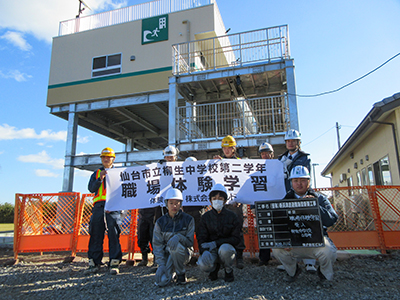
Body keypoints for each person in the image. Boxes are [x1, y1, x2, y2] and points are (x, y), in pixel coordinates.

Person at [272, 166, 338, 282]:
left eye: (302, 180)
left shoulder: (320, 198)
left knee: (328, 251)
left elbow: (331, 219)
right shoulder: (285, 201)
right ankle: (292, 271)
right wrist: (283, 239)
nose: (299, 184)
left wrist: (314, 206)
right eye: (295, 181)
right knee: (277, 248)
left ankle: (325, 275)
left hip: (316, 241)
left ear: (309, 181)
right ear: (291, 182)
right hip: (294, 242)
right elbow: (278, 224)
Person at [278, 129, 316, 273]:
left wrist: (289, 166)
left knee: (305, 225)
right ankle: (290, 262)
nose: (291, 143)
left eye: (293, 140)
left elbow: (304, 175)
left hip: (301, 194)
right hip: (287, 195)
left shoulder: (304, 158)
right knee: (289, 227)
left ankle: (309, 262)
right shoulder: (280, 158)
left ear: (299, 142)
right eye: (288, 141)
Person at [136, 146, 177, 266]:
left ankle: (166, 259)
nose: (169, 158)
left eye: (171, 156)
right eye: (167, 156)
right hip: (158, 206)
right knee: (153, 233)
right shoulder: (158, 168)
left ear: (175, 157)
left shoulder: (180, 167)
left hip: (172, 205)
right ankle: (151, 258)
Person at [85, 147, 123, 275]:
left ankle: (114, 261)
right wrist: (99, 179)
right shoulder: (96, 173)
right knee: (96, 233)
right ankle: (94, 262)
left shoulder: (118, 173)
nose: (106, 159)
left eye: (108, 157)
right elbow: (91, 189)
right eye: (104, 157)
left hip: (113, 207)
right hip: (99, 207)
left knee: (114, 234)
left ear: (113, 159)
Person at [213, 135, 246, 269]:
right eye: (224, 148)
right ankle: (223, 257)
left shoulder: (239, 162)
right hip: (222, 203)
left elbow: (244, 183)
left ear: (234, 149)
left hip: (236, 203)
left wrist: (239, 199)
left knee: (237, 229)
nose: (226, 150)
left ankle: (239, 256)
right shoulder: (219, 163)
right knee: (221, 229)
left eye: (229, 148)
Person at [197, 184, 241, 282]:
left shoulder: (232, 216)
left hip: (226, 248)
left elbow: (236, 238)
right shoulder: (205, 217)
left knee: (225, 249)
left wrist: (216, 243)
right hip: (211, 250)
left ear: (225, 201)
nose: (217, 200)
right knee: (203, 264)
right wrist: (203, 251)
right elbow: (201, 237)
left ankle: (228, 270)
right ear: (210, 200)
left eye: (220, 198)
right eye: (214, 198)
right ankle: (214, 269)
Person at [153, 188, 195, 286]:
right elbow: (157, 244)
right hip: (167, 255)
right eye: (171, 203)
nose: (174, 206)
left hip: (183, 252)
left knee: (175, 247)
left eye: (177, 203)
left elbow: (189, 242)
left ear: (181, 204)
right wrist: (161, 264)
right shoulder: (160, 222)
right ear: (166, 204)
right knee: (162, 281)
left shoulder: (188, 220)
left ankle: (180, 273)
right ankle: (171, 271)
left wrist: (179, 237)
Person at [255, 142, 274, 266]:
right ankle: (264, 258)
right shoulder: (256, 169)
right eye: (263, 153)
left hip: (276, 203)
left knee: (279, 229)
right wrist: (252, 206)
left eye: (267, 153)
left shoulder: (278, 166)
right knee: (263, 230)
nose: (265, 155)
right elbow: (253, 188)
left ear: (272, 154)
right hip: (262, 204)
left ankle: (283, 256)